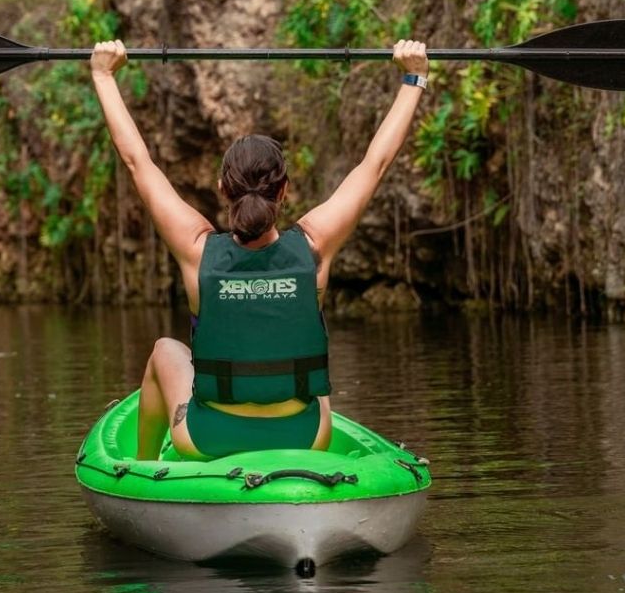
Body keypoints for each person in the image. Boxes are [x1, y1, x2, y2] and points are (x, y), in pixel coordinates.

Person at [90, 38, 430, 460]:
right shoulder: (314, 246)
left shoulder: (197, 251)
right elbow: (374, 165)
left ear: (222, 189)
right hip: (303, 437)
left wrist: (103, 75)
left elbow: (137, 162)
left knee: (165, 349)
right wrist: (414, 77)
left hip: (207, 437)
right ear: (283, 191)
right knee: (316, 388)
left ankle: (144, 471)